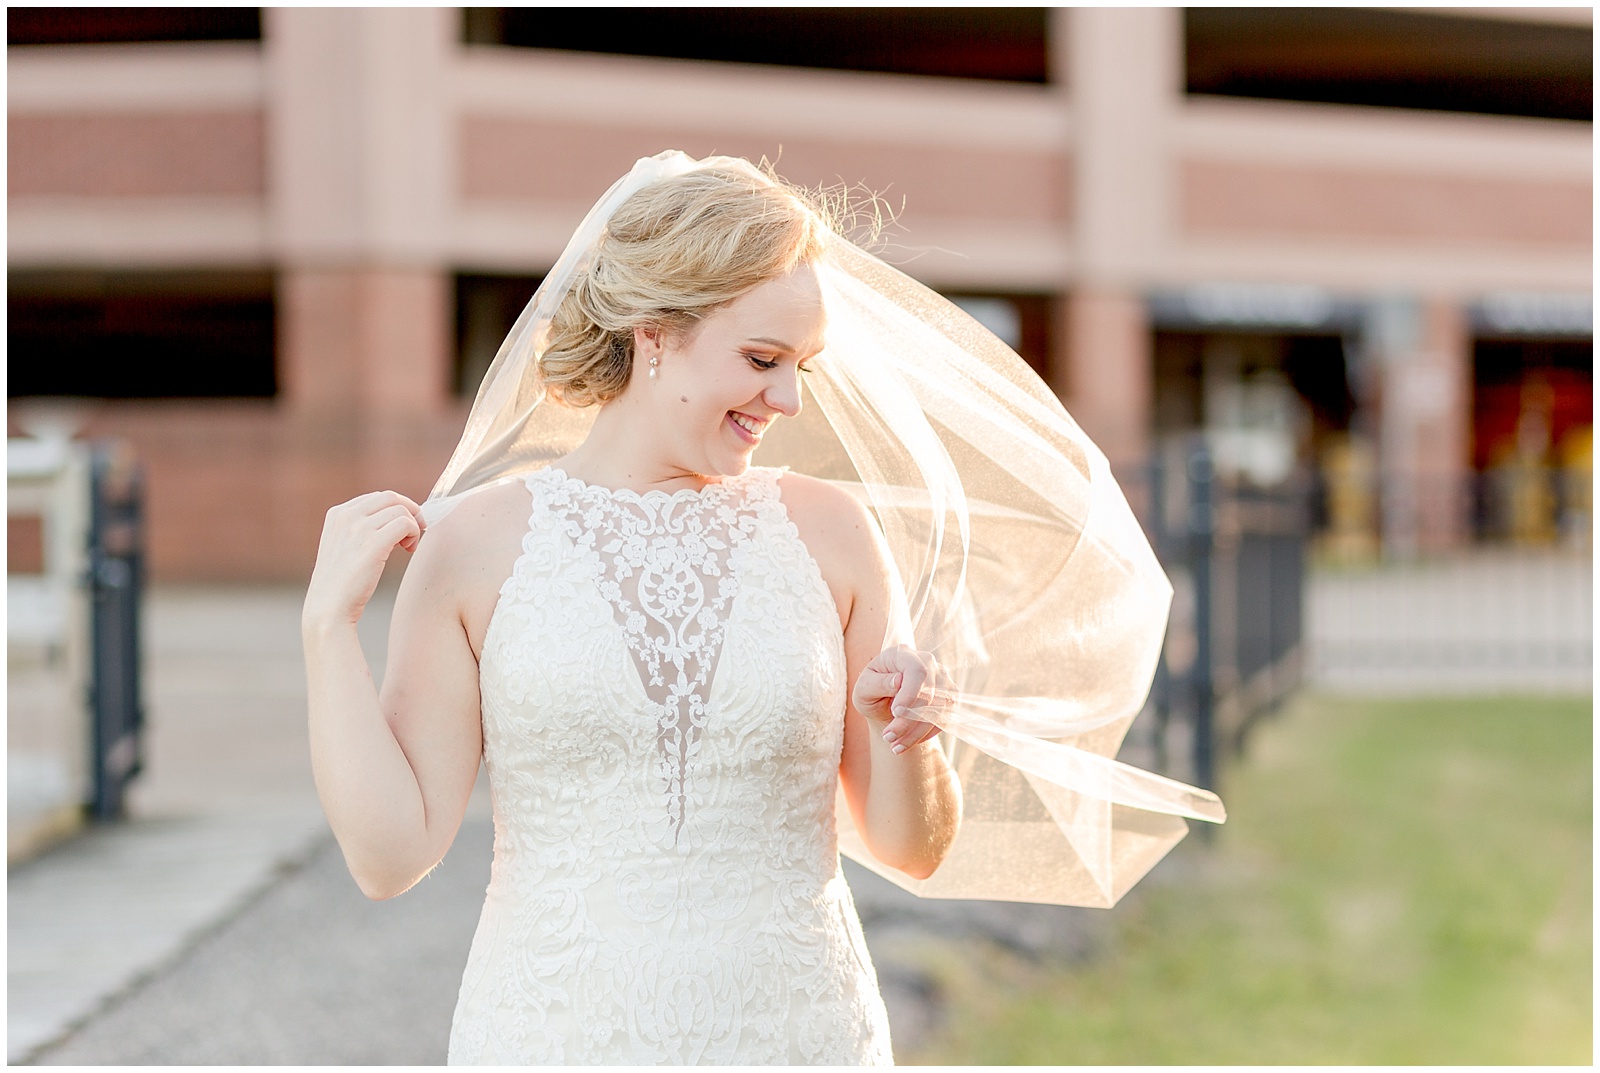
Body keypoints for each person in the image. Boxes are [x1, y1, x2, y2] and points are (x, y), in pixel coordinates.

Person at [304, 152, 1223, 1065]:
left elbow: (913, 849)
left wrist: (913, 732)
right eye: (762, 359)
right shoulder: (473, 545)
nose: (785, 399)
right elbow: (391, 857)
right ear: (655, 333)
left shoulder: (829, 534)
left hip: (796, 1029)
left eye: (803, 368)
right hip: (553, 1027)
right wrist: (326, 634)